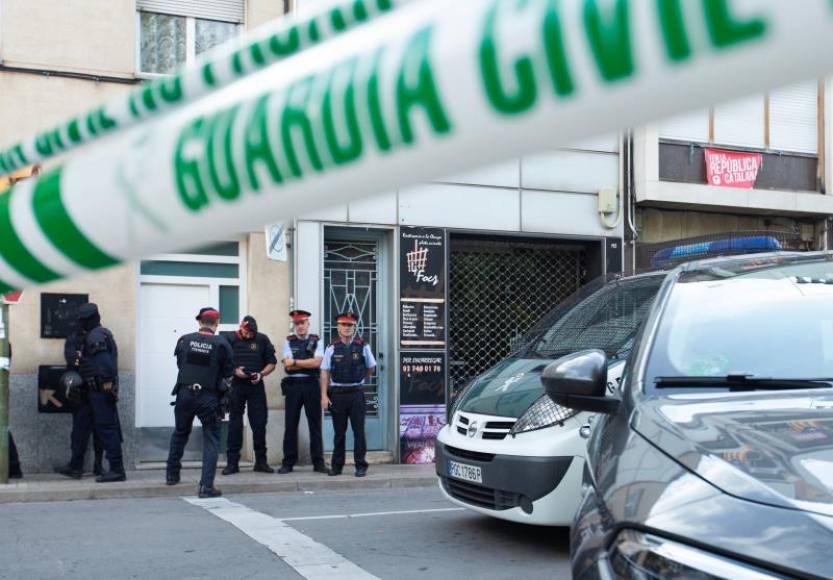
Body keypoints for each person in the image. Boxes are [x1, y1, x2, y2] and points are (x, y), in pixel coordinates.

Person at [166, 307, 234, 498]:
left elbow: (181, 365)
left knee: (180, 433)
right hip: (208, 396)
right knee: (211, 439)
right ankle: (206, 487)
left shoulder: (184, 340)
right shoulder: (222, 343)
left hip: (185, 394)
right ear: (217, 323)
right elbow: (229, 373)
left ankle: (172, 475)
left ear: (199, 322)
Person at [72, 303, 125, 483]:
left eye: (81, 320)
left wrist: (107, 388)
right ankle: (114, 468)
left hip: (101, 391)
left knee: (107, 429)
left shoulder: (95, 336)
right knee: (107, 428)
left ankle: (117, 470)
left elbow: (105, 365)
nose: (79, 324)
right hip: (97, 391)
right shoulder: (98, 334)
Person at [320, 312, 376, 477]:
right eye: (343, 325)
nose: (346, 328)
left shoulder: (362, 346)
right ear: (338, 327)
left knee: (359, 431)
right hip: (337, 394)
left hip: (356, 394)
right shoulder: (331, 348)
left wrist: (359, 377)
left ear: (354, 327)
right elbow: (325, 372)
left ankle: (360, 466)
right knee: (339, 432)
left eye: (349, 325)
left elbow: (371, 367)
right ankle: (337, 466)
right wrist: (324, 396)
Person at [222, 315, 277, 475]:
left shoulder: (262, 339)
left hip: (255, 386)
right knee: (235, 425)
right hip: (236, 386)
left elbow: (272, 362)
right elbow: (222, 361)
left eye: (252, 333)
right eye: (247, 332)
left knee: (259, 424)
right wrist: (234, 371)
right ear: (241, 327)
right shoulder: (229, 339)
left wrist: (261, 374)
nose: (249, 336)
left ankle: (261, 462)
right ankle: (232, 464)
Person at [278, 309, 327, 475]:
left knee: (315, 424)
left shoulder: (317, 341)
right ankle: (288, 462)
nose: (300, 327)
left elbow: (317, 363)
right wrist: (305, 362)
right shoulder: (288, 341)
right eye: (297, 324)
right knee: (290, 424)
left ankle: (318, 463)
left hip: (311, 385)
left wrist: (296, 362)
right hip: (293, 386)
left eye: (302, 323)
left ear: (308, 324)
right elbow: (287, 365)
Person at [54, 325, 104, 479]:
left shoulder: (91, 337)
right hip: (86, 391)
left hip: (88, 390)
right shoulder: (100, 336)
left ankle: (81, 466)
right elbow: (72, 359)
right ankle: (92, 466)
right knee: (86, 431)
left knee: (86, 431)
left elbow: (74, 360)